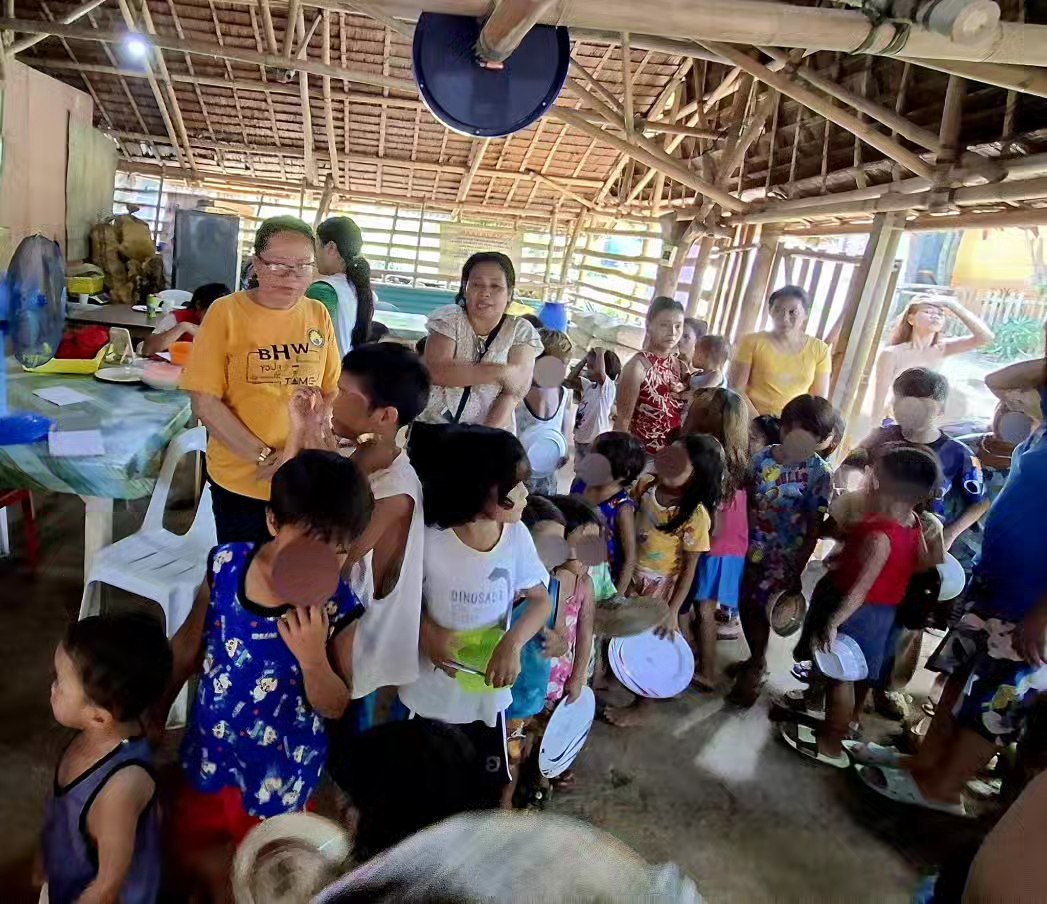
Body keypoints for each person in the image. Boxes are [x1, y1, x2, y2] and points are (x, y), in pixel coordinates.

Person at [165, 452, 373, 899]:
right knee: (196, 855)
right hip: (212, 752)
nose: (322, 563)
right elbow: (186, 646)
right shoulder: (226, 567)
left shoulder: (336, 608)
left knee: (260, 876)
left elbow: (336, 705)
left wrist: (313, 658)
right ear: (273, 522)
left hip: (280, 776)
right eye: (310, 545)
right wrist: (151, 712)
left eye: (338, 551)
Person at [856, 341, 1047, 813]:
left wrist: (1042, 615)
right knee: (960, 679)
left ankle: (944, 788)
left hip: (1031, 604)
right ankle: (925, 763)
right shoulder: (1042, 429)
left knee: (995, 701)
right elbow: (998, 381)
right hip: (995, 584)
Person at [399, 425, 553, 805]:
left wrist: (512, 644)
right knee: (423, 781)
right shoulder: (427, 536)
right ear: (475, 488)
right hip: (431, 687)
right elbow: (393, 597)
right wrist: (426, 631)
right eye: (514, 486)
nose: (526, 493)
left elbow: (540, 600)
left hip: (487, 690)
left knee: (481, 781)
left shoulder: (516, 537)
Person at [180, 216, 342, 545]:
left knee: (291, 568)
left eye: (303, 266)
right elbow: (205, 401)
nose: (291, 277)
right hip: (244, 480)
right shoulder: (226, 312)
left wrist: (305, 449)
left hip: (302, 480)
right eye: (278, 265)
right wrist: (266, 457)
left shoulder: (317, 314)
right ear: (256, 264)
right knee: (245, 568)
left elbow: (330, 391)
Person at [780, 446, 940, 767]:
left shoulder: (879, 537)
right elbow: (924, 561)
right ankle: (841, 729)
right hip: (884, 615)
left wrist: (833, 622)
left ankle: (830, 744)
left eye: (872, 477)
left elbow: (860, 590)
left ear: (880, 485)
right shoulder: (912, 523)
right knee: (853, 675)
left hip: (857, 613)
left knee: (840, 679)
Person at [324, 343, 430, 730]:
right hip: (339, 628)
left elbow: (335, 557)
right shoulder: (355, 454)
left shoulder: (393, 490)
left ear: (385, 416)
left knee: (348, 726)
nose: (330, 399)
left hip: (358, 642)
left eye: (342, 393)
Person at [40, 614, 171, 904]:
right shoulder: (99, 730)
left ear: (98, 717)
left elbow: (107, 887)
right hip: (69, 876)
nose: (52, 687)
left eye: (60, 683)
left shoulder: (120, 789)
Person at [605, 435, 724, 726]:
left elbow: (690, 569)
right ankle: (615, 674)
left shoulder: (696, 516)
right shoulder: (646, 486)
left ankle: (644, 706)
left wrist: (672, 611)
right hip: (631, 573)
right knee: (623, 628)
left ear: (697, 475)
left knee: (649, 643)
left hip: (660, 586)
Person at [728, 394, 836, 707]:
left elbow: (814, 526)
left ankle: (757, 665)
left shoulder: (819, 473)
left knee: (763, 608)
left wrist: (797, 566)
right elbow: (744, 503)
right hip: (749, 547)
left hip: (783, 558)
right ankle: (755, 656)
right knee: (745, 604)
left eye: (814, 436)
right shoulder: (762, 459)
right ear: (784, 428)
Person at [860, 367, 987, 553]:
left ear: (941, 408)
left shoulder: (959, 454)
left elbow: (981, 502)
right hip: (869, 534)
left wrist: (949, 535)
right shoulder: (878, 437)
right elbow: (847, 469)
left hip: (920, 544)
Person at [418, 252, 542, 431]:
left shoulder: (521, 331)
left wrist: (481, 435)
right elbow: (437, 371)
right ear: (465, 288)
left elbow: (514, 392)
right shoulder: (449, 319)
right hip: (434, 427)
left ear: (509, 293)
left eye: (495, 286)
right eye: (476, 284)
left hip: (491, 434)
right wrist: (500, 372)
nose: (485, 293)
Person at [681, 389, 750, 687]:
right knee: (704, 608)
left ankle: (707, 672)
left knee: (703, 609)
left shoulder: (710, 460)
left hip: (715, 547)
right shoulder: (741, 460)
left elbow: (714, 522)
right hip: (735, 547)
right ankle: (699, 656)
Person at [869, 294, 994, 425]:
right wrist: (875, 428)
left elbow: (985, 338)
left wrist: (953, 305)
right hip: (897, 419)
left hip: (929, 420)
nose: (935, 316)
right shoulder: (891, 353)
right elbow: (880, 397)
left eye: (940, 314)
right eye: (927, 312)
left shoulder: (942, 349)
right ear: (911, 319)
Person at [728, 285, 832, 417]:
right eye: (778, 310)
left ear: (805, 314)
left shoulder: (820, 350)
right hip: (750, 417)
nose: (784, 318)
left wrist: (795, 425)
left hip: (794, 422)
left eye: (792, 312)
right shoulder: (751, 342)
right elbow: (737, 388)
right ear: (770, 311)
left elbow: (818, 399)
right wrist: (759, 422)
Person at [572, 430, 646, 591]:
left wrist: (618, 595)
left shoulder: (622, 508)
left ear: (622, 473)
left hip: (602, 579)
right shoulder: (579, 484)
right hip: (573, 563)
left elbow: (630, 557)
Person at [616, 296, 686, 456]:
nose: (672, 332)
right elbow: (623, 420)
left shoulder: (679, 367)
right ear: (648, 326)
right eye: (664, 325)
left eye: (678, 326)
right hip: (641, 456)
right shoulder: (637, 367)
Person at [517, 329, 575, 495]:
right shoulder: (564, 395)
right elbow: (564, 449)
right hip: (537, 478)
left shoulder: (517, 392)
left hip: (527, 476)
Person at [307, 216, 376, 355]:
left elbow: (311, 345)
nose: (315, 255)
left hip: (327, 368)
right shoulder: (363, 290)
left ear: (331, 248)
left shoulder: (323, 290)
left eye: (317, 246)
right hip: (349, 366)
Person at [142, 282, 229, 357]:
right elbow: (147, 350)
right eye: (212, 312)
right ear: (198, 305)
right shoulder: (176, 318)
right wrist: (183, 327)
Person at [568, 347, 622, 461]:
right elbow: (570, 379)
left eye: (592, 367)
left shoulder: (608, 388)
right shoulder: (590, 386)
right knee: (579, 468)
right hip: (581, 438)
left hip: (594, 441)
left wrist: (600, 352)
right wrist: (584, 360)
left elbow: (599, 372)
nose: (588, 370)